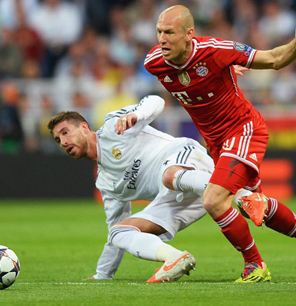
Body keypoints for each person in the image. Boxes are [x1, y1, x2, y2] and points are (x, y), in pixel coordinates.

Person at [144, 5, 296, 282]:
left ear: (189, 34)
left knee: (213, 200)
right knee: (251, 204)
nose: (162, 39)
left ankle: (255, 266)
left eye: (169, 32)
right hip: (216, 143)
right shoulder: (154, 62)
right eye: (159, 32)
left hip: (243, 129)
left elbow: (273, 59)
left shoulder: (216, 50)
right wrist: (223, 73)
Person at [47, 95, 215, 283]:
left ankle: (239, 194)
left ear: (84, 128)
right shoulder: (105, 182)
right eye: (57, 139)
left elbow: (156, 101)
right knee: (119, 233)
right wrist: (102, 275)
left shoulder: (113, 127)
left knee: (170, 176)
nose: (62, 142)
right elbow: (115, 227)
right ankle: (175, 257)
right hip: (181, 198)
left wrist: (137, 114)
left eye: (65, 132)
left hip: (187, 160)